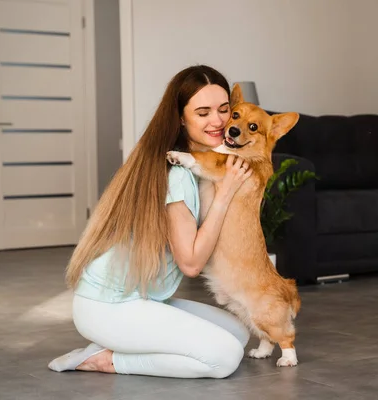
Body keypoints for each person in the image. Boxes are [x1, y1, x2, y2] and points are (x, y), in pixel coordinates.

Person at [47, 65, 253, 379]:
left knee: (239, 333)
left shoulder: (193, 164)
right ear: (181, 118)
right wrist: (226, 194)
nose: (218, 121)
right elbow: (191, 264)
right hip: (108, 309)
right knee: (224, 358)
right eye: (203, 112)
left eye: (224, 110)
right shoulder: (178, 174)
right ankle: (108, 360)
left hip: (142, 298)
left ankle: (132, 344)